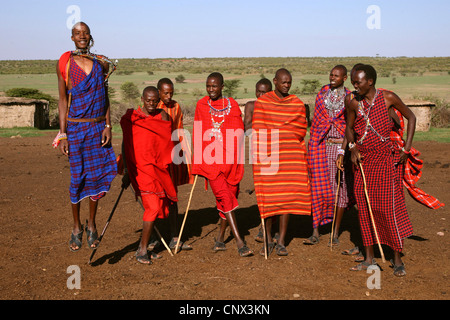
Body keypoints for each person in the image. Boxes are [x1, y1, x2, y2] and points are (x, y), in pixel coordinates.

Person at [345, 64, 415, 276]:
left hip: (386, 161)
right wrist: (352, 147)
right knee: (365, 208)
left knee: (388, 209)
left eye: (358, 82)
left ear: (370, 82)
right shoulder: (353, 102)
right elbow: (348, 128)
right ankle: (368, 258)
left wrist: (407, 148)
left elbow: (411, 117)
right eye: (353, 82)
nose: (354, 86)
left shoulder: (388, 98)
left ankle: (396, 258)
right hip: (364, 163)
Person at [56, 22, 117, 252]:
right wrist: (63, 135)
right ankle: (76, 226)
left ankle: (92, 224)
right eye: (77, 33)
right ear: (72, 38)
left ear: (90, 37)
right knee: (77, 178)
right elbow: (63, 100)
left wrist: (108, 125)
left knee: (96, 177)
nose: (82, 36)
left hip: (97, 127)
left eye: (85, 33)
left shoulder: (100, 62)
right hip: (76, 129)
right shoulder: (65, 62)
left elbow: (105, 97)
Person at [192, 72, 253, 257]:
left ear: (222, 86)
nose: (211, 90)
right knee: (226, 198)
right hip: (211, 162)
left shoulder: (232, 105)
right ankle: (240, 242)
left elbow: (239, 131)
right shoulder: (202, 105)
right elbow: (197, 132)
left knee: (227, 197)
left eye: (214, 86)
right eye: (208, 86)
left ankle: (219, 238)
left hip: (230, 161)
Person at [252, 68, 311, 256]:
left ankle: (282, 241)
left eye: (289, 82)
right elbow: (259, 130)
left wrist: (284, 137)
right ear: (275, 81)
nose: (286, 85)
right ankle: (268, 239)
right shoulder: (263, 103)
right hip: (269, 157)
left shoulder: (296, 103)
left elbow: (301, 129)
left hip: (290, 156)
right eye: (283, 82)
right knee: (270, 198)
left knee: (286, 199)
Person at [120, 86, 177, 264]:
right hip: (141, 170)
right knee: (152, 208)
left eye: (154, 101)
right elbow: (126, 145)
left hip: (158, 168)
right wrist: (127, 170)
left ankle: (144, 247)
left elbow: (167, 143)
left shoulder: (163, 116)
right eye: (148, 100)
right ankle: (142, 250)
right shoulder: (133, 118)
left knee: (158, 206)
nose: (151, 104)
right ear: (142, 99)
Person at [306, 65, 353, 246]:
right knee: (317, 188)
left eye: (336, 76)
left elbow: (350, 125)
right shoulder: (322, 93)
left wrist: (343, 150)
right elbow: (317, 121)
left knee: (339, 187)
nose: (332, 78)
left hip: (340, 146)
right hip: (320, 146)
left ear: (344, 78)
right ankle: (315, 230)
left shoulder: (349, 97)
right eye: (331, 75)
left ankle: (335, 232)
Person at [155, 77, 193, 251]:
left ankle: (175, 237)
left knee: (172, 196)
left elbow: (179, 130)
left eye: (171, 92)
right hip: (157, 157)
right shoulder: (153, 107)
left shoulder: (176, 106)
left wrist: (185, 152)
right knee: (155, 196)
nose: (169, 96)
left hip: (173, 155)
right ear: (158, 92)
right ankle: (154, 237)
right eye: (165, 93)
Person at [243, 78, 273, 243]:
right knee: (262, 189)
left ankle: (266, 227)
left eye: (265, 92)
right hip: (259, 151)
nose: (261, 95)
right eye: (259, 92)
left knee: (272, 190)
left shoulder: (275, 105)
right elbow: (247, 126)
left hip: (275, 150)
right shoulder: (251, 106)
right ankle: (264, 226)